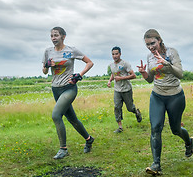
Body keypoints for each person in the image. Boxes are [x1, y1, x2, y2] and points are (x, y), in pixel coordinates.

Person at [137, 29, 193, 175]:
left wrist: (167, 64)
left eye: (152, 43)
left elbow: (180, 74)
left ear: (159, 40)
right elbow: (151, 78)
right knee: (155, 128)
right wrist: (145, 74)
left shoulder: (171, 52)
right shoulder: (149, 57)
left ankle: (189, 142)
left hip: (175, 96)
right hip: (157, 95)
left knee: (175, 130)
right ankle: (156, 164)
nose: (150, 47)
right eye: (147, 45)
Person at [42, 26, 95, 160]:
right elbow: (44, 71)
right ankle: (88, 139)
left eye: (56, 35)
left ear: (63, 37)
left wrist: (79, 75)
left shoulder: (71, 50)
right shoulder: (48, 51)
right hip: (56, 88)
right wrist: (47, 65)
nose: (53, 38)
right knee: (72, 119)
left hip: (69, 88)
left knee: (56, 115)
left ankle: (63, 148)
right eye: (52, 36)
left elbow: (90, 63)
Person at [107, 46, 142, 133]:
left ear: (120, 54)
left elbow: (133, 75)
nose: (114, 56)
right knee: (117, 107)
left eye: (116, 54)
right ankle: (120, 127)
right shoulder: (111, 65)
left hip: (126, 89)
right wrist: (109, 81)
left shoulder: (125, 64)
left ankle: (136, 112)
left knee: (130, 108)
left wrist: (121, 78)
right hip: (117, 90)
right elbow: (113, 74)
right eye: (113, 54)